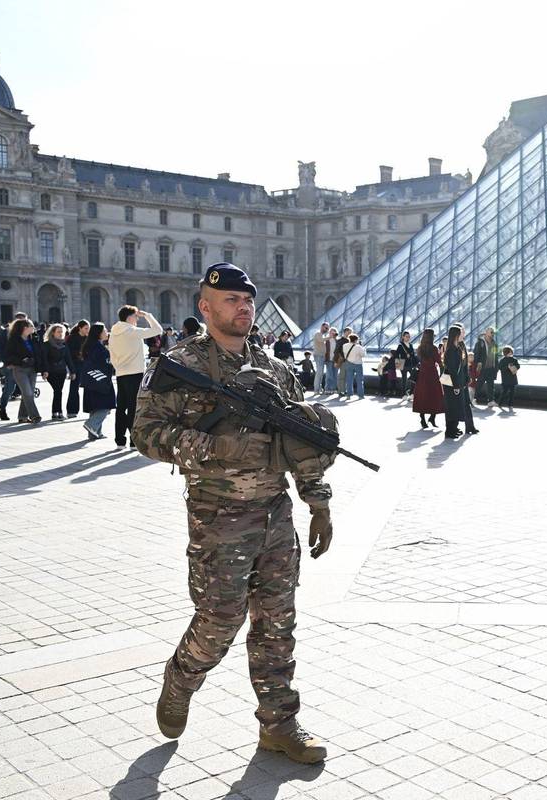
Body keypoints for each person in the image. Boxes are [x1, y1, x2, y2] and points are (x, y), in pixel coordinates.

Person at [132, 263, 335, 764]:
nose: (242, 307)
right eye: (230, 300)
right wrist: (214, 447)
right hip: (217, 517)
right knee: (220, 620)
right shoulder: (181, 365)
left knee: (276, 622)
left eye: (248, 300)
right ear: (205, 307)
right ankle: (180, 679)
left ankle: (279, 725)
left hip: (274, 513)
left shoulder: (274, 369)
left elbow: (301, 440)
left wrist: (318, 501)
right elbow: (145, 435)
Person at [108, 303, 163, 448]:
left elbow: (111, 354)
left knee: (121, 407)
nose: (137, 320)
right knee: (134, 407)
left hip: (121, 373)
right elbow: (158, 330)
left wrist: (118, 366)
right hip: (135, 372)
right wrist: (148, 316)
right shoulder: (131, 331)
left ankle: (120, 440)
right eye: (135, 317)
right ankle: (133, 440)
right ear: (130, 317)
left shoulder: (113, 333)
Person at [2, 319, 41, 423]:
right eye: (31, 326)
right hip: (20, 369)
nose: (33, 328)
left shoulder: (34, 339)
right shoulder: (14, 340)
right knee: (27, 392)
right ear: (25, 328)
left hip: (33, 369)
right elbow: (8, 355)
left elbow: (39, 353)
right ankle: (35, 415)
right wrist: (21, 361)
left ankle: (22, 416)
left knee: (29, 393)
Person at [79, 323, 114, 439]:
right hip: (100, 379)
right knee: (106, 404)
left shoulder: (91, 345)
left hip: (92, 379)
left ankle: (94, 433)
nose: (107, 332)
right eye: (104, 331)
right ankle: (91, 425)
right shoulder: (97, 347)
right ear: (98, 333)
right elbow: (102, 364)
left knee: (96, 405)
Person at [443, 324, 477, 438]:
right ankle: (450, 431)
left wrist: (466, 378)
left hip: (458, 382)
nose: (463, 334)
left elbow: (462, 366)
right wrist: (456, 385)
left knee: (456, 406)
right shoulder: (452, 350)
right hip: (452, 383)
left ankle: (453, 429)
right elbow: (453, 370)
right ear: (455, 335)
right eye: (461, 333)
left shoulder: (457, 348)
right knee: (452, 407)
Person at [412, 329, 445, 429]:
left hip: (422, 375)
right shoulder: (434, 348)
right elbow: (439, 362)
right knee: (435, 396)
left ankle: (422, 419)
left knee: (422, 396)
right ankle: (432, 417)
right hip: (432, 375)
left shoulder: (420, 348)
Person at [42, 324, 74, 421]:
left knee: (58, 391)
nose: (61, 334)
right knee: (57, 391)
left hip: (61, 371)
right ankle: (57, 412)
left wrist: (72, 371)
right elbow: (44, 359)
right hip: (51, 372)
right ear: (53, 333)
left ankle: (56, 413)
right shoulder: (47, 344)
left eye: (62, 332)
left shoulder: (64, 344)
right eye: (58, 332)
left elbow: (68, 359)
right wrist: (45, 371)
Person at [65, 320, 89, 419]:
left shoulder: (88, 338)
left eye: (88, 328)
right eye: (86, 328)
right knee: (74, 388)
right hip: (75, 365)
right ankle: (72, 410)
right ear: (80, 328)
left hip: (87, 365)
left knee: (89, 387)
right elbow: (68, 354)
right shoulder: (72, 338)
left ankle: (90, 408)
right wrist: (71, 370)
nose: (88, 330)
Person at [473, 327, 499, 407]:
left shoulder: (494, 343)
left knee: (491, 385)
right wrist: (477, 364)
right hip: (482, 367)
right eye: (491, 332)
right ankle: (473, 398)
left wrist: (496, 367)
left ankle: (491, 400)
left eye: (493, 332)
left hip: (491, 367)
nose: (492, 334)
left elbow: (496, 356)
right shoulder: (480, 343)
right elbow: (476, 354)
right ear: (486, 333)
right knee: (479, 384)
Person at [340, 334, 365, 398]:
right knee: (359, 380)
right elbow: (363, 355)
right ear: (356, 340)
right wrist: (362, 347)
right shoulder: (358, 347)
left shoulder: (344, 345)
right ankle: (360, 395)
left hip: (349, 363)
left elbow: (344, 354)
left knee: (349, 380)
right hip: (358, 364)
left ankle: (349, 394)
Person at [393, 331, 416, 398]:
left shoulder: (411, 345)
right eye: (406, 336)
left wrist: (410, 355)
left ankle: (411, 392)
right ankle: (404, 394)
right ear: (403, 337)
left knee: (413, 378)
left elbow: (413, 355)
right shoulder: (400, 345)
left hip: (410, 364)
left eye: (409, 337)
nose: (408, 338)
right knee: (404, 379)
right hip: (403, 364)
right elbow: (396, 355)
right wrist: (398, 364)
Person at [497, 346, 519, 412]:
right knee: (504, 392)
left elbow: (518, 366)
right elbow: (500, 368)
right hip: (506, 379)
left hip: (512, 378)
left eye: (511, 352)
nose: (510, 353)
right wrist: (508, 367)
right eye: (509, 352)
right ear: (505, 353)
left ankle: (510, 404)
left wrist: (514, 367)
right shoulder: (502, 360)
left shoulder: (514, 359)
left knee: (512, 393)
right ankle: (500, 403)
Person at [310, 323, 331, 392]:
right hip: (319, 355)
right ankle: (316, 389)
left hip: (321, 355)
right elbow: (321, 340)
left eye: (328, 328)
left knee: (321, 373)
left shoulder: (322, 335)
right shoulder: (318, 333)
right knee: (319, 372)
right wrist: (330, 337)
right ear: (322, 326)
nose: (327, 330)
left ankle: (319, 388)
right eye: (326, 328)